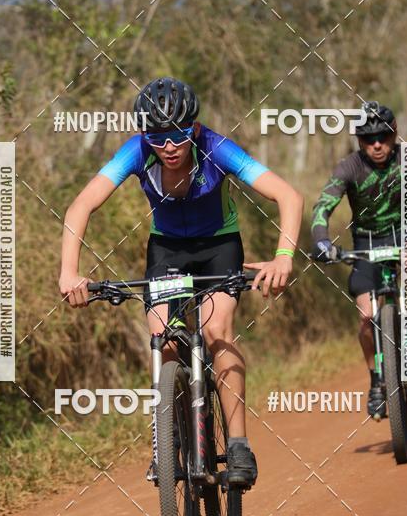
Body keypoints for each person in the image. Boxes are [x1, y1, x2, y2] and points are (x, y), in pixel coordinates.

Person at [59, 77, 304, 487]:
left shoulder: (216, 148)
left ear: (193, 128)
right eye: (157, 137)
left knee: (216, 329)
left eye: (177, 135)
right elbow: (82, 204)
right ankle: (168, 444)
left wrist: (283, 257)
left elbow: (288, 196)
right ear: (143, 134)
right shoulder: (137, 152)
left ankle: (239, 445)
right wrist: (69, 271)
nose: (168, 147)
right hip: (168, 250)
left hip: (219, 246)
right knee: (163, 340)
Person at [310, 101, 407, 419]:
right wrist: (321, 240)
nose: (377, 144)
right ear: (359, 142)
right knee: (366, 317)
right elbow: (323, 205)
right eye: (368, 139)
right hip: (367, 242)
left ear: (395, 134)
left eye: (383, 136)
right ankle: (377, 380)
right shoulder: (348, 167)